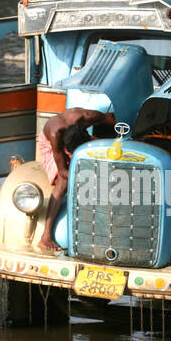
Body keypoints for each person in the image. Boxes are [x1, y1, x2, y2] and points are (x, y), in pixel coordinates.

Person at [37, 108, 118, 252]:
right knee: (63, 183)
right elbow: (63, 172)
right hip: (51, 146)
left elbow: (110, 117)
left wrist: (126, 131)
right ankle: (46, 236)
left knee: (114, 150)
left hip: (80, 141)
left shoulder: (87, 116)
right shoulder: (55, 135)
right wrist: (92, 178)